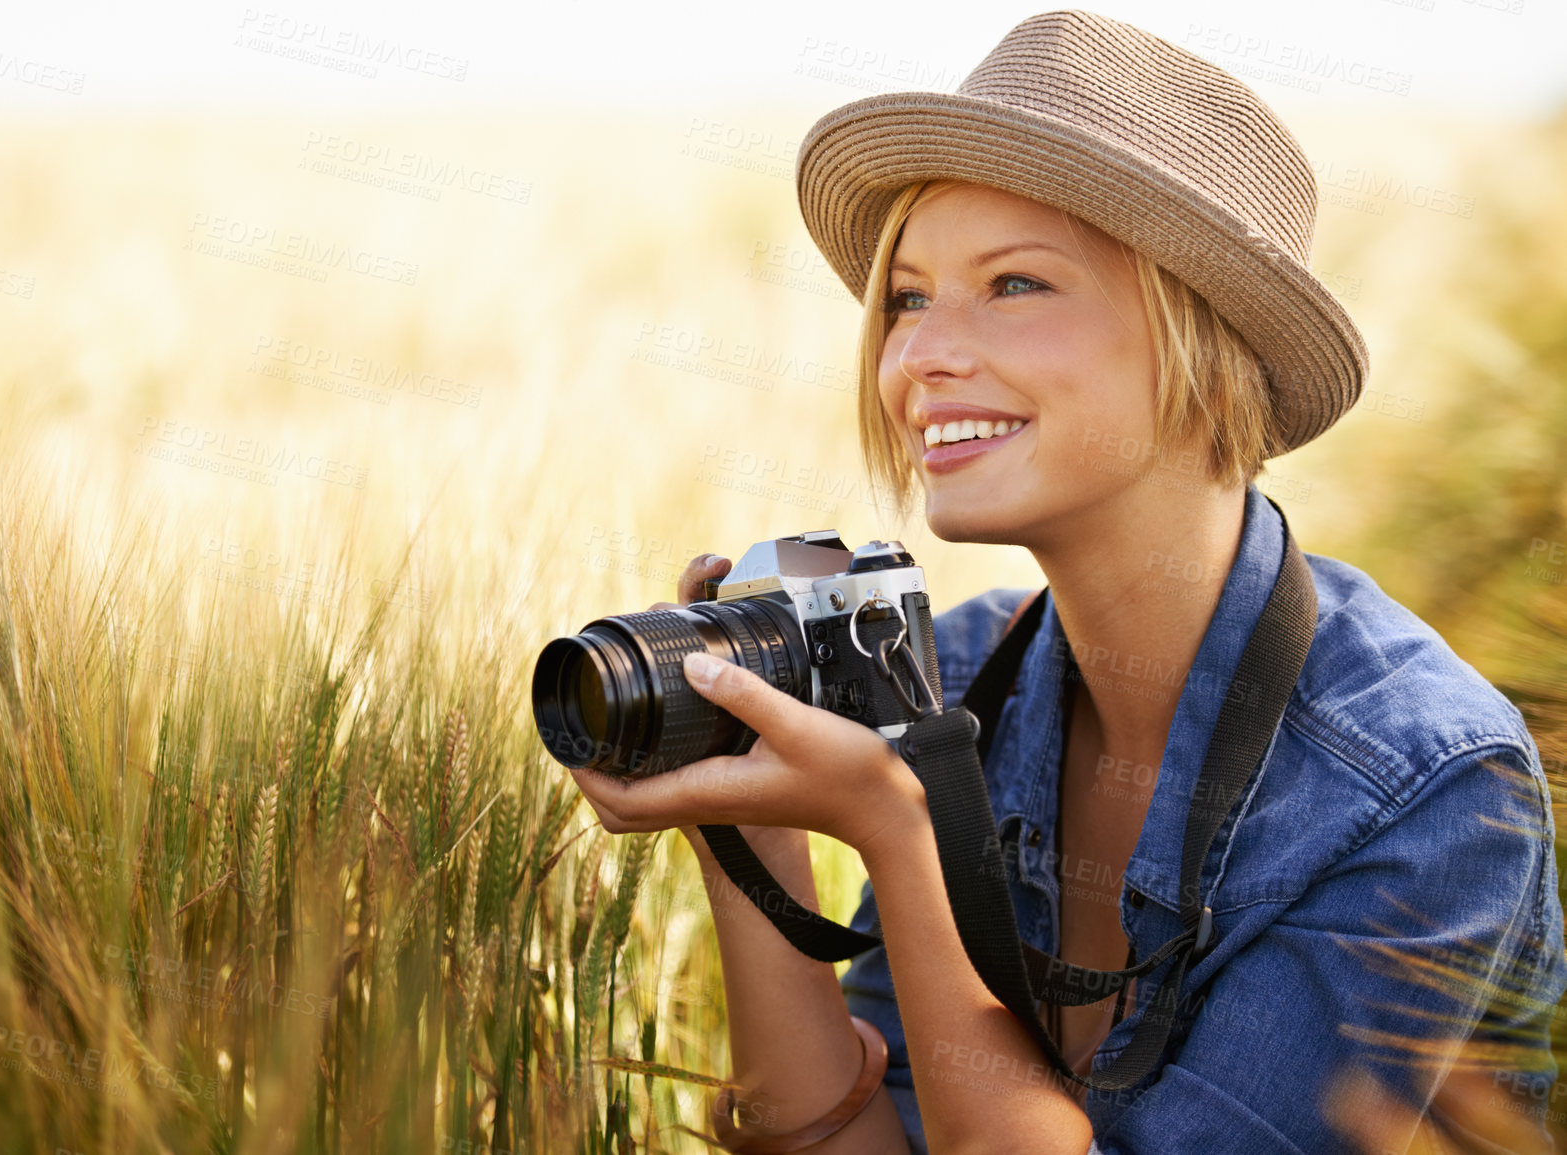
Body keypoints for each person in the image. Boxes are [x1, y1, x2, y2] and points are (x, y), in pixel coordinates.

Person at [566, 9, 1566, 1152]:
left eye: (1015, 285)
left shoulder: (1426, 790)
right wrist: (752, 846)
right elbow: (840, 1141)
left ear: (1200, 335)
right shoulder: (964, 684)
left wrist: (898, 833)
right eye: (907, 296)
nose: (920, 356)